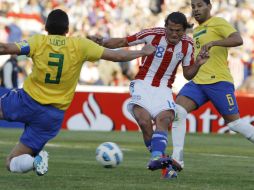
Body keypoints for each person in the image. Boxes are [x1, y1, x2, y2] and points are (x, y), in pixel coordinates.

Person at [0, 9, 156, 176]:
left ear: (46, 27)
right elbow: (116, 57)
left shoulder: (38, 41)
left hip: (27, 101)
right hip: (51, 115)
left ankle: (35, 161)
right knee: (12, 162)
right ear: (67, 30)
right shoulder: (80, 45)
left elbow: (5, 48)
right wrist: (141, 52)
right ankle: (34, 161)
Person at [90, 11, 209, 179]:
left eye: (179, 31)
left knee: (165, 119)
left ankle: (157, 159)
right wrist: (102, 41)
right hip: (142, 84)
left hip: (164, 88)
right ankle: (163, 161)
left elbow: (189, 74)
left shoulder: (188, 45)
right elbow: (124, 41)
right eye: (171, 29)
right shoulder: (151, 34)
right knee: (145, 122)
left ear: (184, 30)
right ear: (165, 27)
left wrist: (198, 63)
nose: (174, 34)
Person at [171, 0, 254, 176]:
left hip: (219, 81)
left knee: (235, 124)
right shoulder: (197, 29)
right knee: (178, 110)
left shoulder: (218, 22)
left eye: (200, 5)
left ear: (209, 7)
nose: (196, 9)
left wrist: (214, 43)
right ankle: (176, 159)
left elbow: (238, 39)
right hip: (198, 82)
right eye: (193, 6)